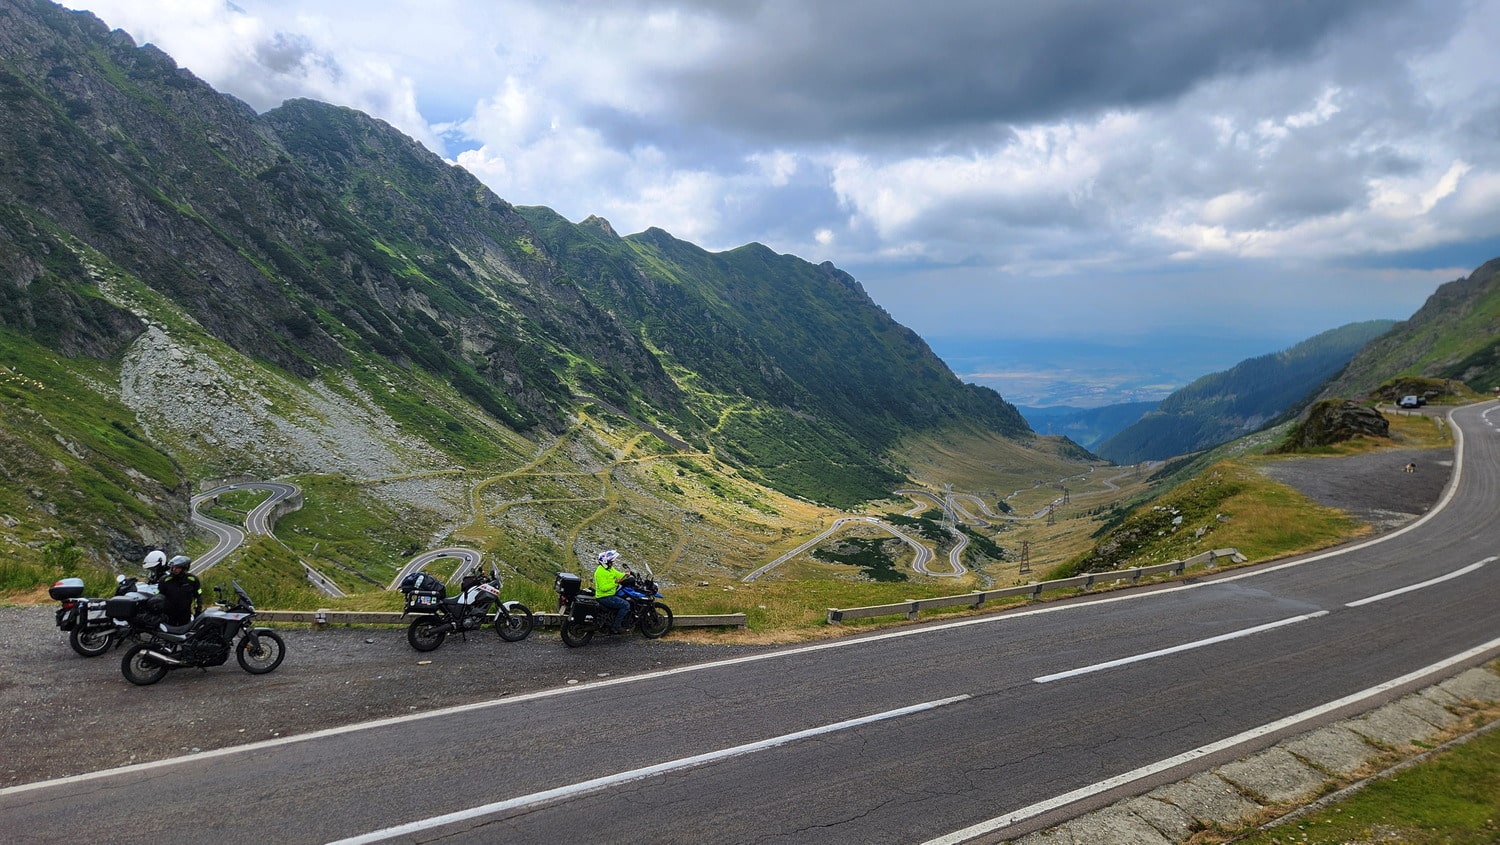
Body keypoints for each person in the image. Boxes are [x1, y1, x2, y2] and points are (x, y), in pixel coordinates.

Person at [593, 549, 631, 634]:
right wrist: (615, 583)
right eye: (611, 562)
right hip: (604, 596)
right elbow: (603, 588)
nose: (612, 563)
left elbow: (618, 575)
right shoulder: (600, 572)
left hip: (610, 594)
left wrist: (626, 575)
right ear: (605, 563)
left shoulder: (609, 569)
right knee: (626, 605)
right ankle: (617, 626)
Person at [157, 555, 203, 626]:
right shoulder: (165, 580)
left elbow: (198, 596)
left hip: (185, 615)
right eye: (173, 567)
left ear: (184, 568)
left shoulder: (193, 580)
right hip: (168, 615)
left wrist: (198, 611)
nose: (174, 570)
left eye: (177, 568)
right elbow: (159, 596)